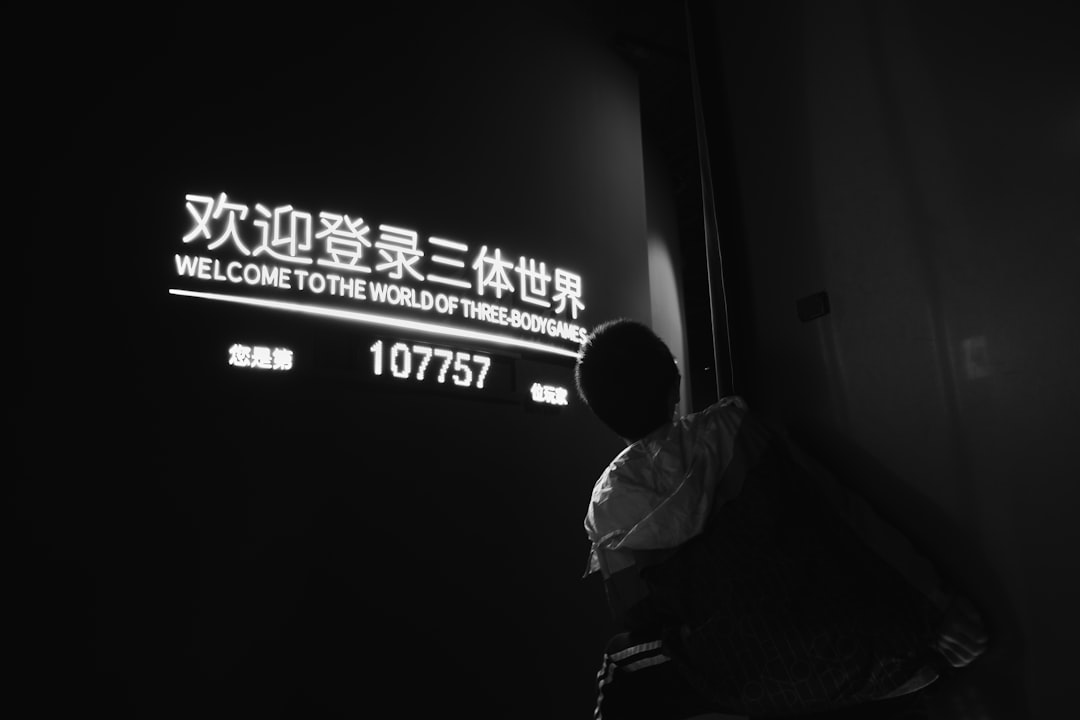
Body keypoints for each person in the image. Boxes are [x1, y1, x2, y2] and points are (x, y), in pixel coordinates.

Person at [574, 318, 989, 720]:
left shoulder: (607, 505)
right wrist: (938, 603)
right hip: (857, 660)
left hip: (740, 686)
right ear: (676, 384)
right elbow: (846, 518)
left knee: (622, 660)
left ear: (603, 415)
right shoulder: (736, 429)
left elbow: (638, 618)